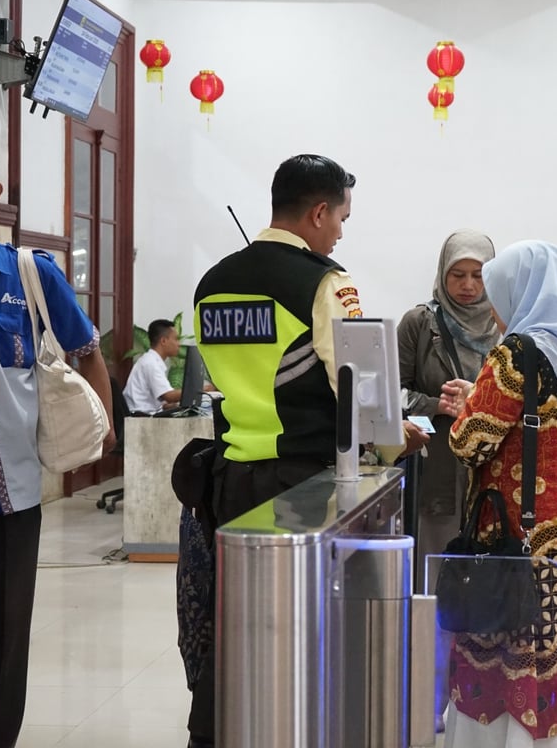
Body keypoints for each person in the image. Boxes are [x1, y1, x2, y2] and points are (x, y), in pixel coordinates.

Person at [190, 154, 428, 748]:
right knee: (303, 631)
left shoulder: (211, 283)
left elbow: (224, 379)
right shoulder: (325, 283)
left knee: (232, 624)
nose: (341, 232)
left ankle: (216, 733)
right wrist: (396, 440)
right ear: (319, 212)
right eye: (341, 218)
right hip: (301, 487)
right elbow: (357, 386)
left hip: (228, 478)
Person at [438, 240, 557, 747]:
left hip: (523, 537)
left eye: (497, 293)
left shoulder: (517, 352)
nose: (493, 307)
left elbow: (471, 443)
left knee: (512, 652)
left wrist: (466, 409)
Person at [0, 139, 114, 748]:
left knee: (4, 634)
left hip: (12, 493)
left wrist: (102, 426)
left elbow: (87, 351)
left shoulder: (29, 274)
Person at [398, 229, 500, 589]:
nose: (468, 285)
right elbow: (393, 397)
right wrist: (435, 407)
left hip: (491, 470)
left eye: (479, 275)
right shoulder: (419, 324)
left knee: (489, 583)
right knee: (433, 576)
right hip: (436, 467)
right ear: (443, 273)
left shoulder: (505, 325)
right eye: (458, 275)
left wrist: (478, 403)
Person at [123, 318, 183, 413]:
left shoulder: (153, 360)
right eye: (176, 339)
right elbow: (169, 396)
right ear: (163, 341)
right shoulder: (150, 363)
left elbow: (163, 402)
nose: (178, 344)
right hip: (140, 416)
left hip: (147, 413)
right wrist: (200, 391)